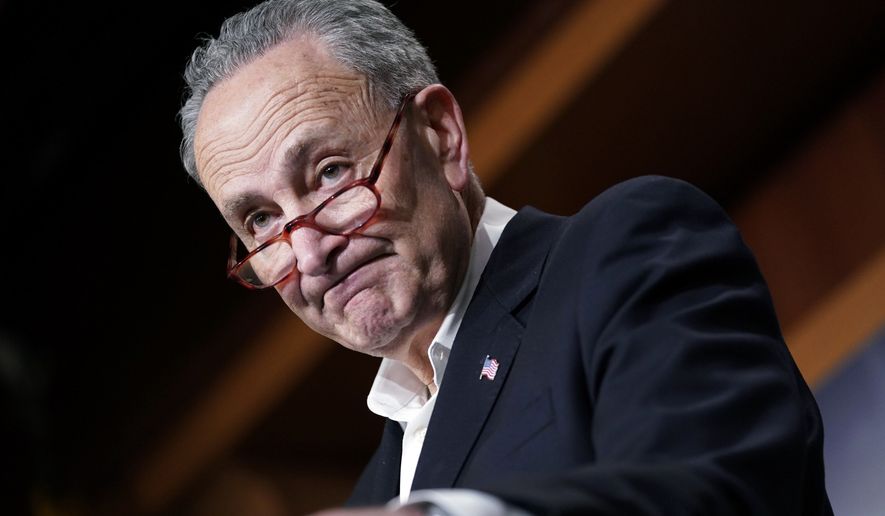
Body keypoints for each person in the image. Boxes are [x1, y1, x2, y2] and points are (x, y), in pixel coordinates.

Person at [179, 1, 833, 514]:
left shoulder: (628, 252)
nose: (311, 251)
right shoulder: (370, 497)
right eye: (261, 220)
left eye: (328, 173)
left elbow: (714, 491)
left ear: (439, 135)